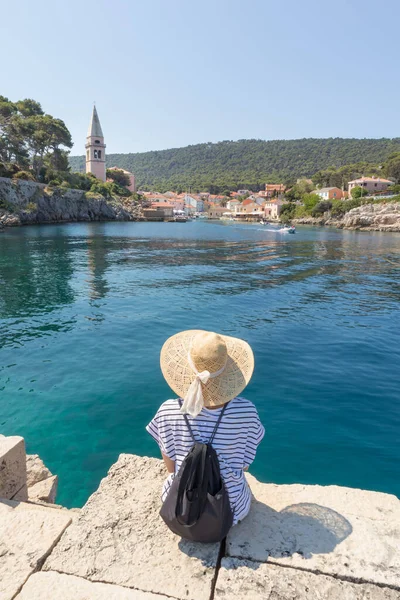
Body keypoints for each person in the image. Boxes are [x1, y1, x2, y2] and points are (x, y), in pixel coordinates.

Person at [146, 329, 265, 528]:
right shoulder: (247, 412)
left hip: (179, 507)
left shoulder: (168, 411)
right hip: (232, 508)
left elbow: (171, 467)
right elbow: (244, 465)